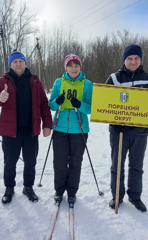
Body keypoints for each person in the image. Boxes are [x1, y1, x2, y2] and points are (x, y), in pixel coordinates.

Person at [0, 49, 52, 204]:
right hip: (11, 131)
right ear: (10, 64)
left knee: (31, 161)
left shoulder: (35, 81)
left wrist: (47, 124)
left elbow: (44, 104)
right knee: (10, 162)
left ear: (25, 63)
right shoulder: (1, 81)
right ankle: (9, 188)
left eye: (21, 61)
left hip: (31, 130)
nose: (18, 64)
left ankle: (28, 187)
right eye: (15, 62)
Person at [105, 44, 148, 212]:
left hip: (139, 131)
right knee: (117, 165)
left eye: (136, 58)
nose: (133, 61)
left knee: (136, 165)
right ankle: (117, 195)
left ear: (140, 59)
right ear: (124, 60)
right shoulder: (114, 78)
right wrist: (112, 120)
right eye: (129, 58)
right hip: (118, 131)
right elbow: (105, 99)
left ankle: (135, 196)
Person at [49, 54, 93, 204]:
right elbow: (52, 105)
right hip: (60, 128)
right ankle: (59, 190)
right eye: (70, 65)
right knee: (59, 162)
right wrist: (57, 101)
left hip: (79, 129)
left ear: (80, 67)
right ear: (66, 67)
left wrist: (80, 105)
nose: (74, 69)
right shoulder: (58, 82)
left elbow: (91, 109)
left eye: (76, 65)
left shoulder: (87, 84)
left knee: (75, 162)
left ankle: (72, 192)